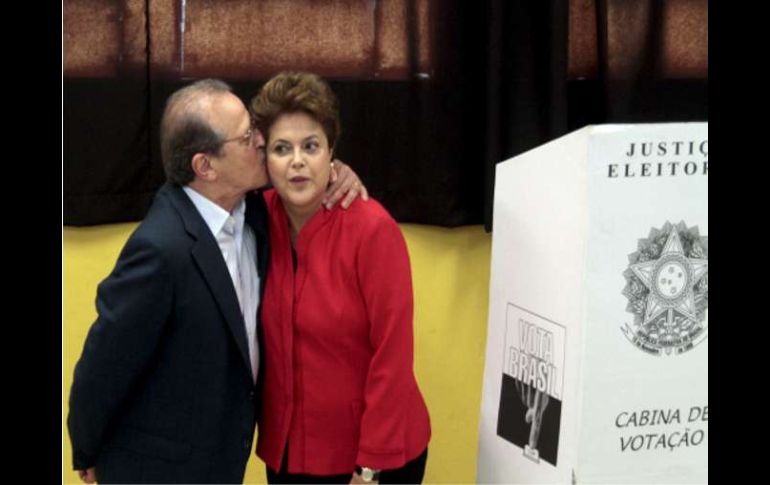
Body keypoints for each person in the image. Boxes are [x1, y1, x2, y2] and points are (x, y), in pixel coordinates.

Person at [67, 78, 367, 484]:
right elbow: (103, 366)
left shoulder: (256, 212)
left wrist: (335, 170)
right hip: (159, 469)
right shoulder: (160, 249)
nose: (261, 141)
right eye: (246, 136)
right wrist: (85, 449)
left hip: (222, 461)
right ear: (205, 166)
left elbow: (301, 185)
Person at [250, 71, 431, 485]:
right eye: (282, 148)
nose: (297, 160)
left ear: (331, 152)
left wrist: (369, 469)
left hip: (369, 458)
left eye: (310, 146)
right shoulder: (255, 219)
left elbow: (394, 355)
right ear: (264, 159)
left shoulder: (372, 229)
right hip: (288, 454)